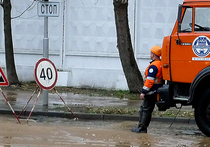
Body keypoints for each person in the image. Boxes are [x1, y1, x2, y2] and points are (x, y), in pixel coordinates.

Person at [131, 45, 163, 133]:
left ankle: (142, 128)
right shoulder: (160, 64)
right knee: (146, 109)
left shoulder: (153, 66)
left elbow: (149, 81)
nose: (150, 54)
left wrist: (143, 92)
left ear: (153, 54)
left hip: (151, 91)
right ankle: (142, 127)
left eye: (151, 53)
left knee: (145, 109)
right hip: (156, 90)